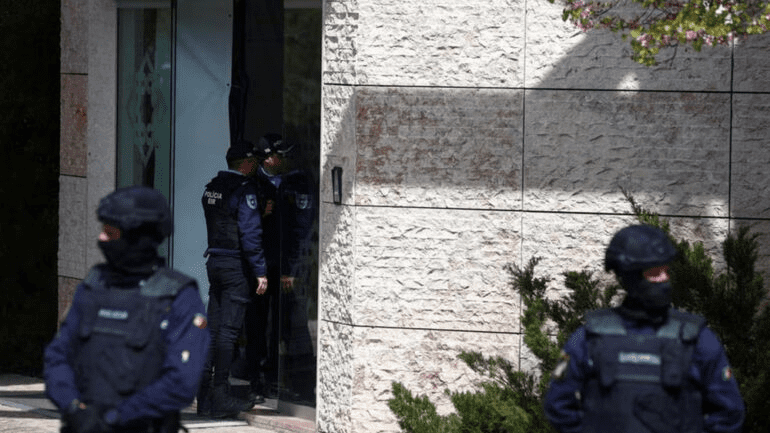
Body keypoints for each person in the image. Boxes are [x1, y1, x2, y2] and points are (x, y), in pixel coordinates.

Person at [544, 224, 745, 433]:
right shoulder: (590, 338)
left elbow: (729, 414)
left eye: (666, 271)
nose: (664, 279)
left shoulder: (696, 338)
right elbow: (558, 406)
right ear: (630, 277)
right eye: (654, 273)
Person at [43, 186, 210, 433]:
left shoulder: (178, 296)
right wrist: (74, 408)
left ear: (136, 238)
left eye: (110, 233)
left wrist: (115, 418)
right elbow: (57, 357)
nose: (101, 238)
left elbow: (181, 382)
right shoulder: (93, 286)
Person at [198, 139, 268, 418]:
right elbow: (250, 233)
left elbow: (220, 217)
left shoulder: (212, 186)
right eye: (253, 162)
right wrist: (260, 271)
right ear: (246, 163)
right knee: (228, 332)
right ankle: (221, 396)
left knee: (213, 330)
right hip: (235, 265)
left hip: (214, 261)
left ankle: (204, 397)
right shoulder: (244, 189)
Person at [246, 133, 316, 403]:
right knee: (259, 324)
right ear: (268, 159)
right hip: (260, 267)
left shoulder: (298, 181)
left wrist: (291, 269)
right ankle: (259, 380)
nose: (286, 159)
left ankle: (300, 383)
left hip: (287, 268)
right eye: (280, 155)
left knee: (291, 324)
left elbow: (301, 229)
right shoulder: (252, 182)